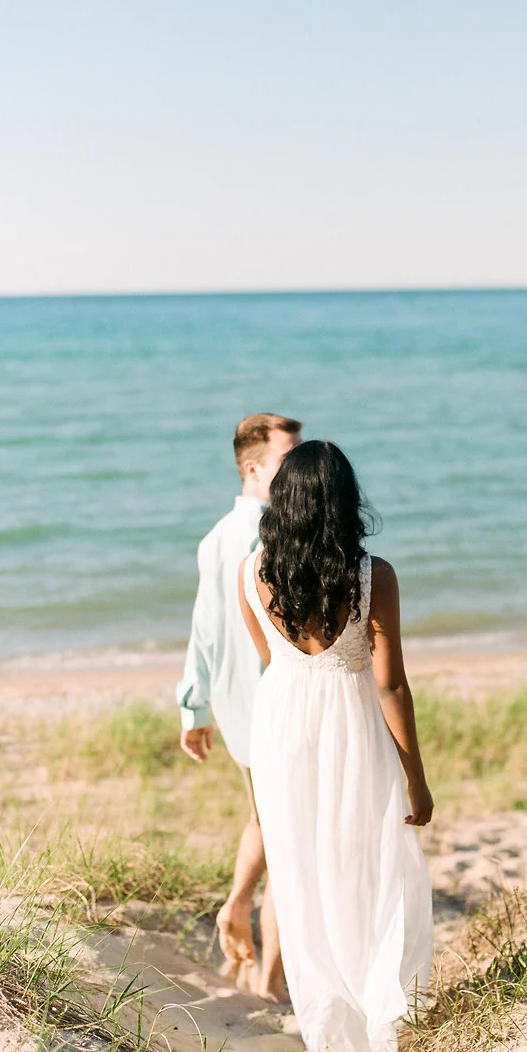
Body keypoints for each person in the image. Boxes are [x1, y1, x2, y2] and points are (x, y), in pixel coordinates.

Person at [237, 440, 434, 1052]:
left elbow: (271, 661)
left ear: (281, 502)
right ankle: (378, 1007)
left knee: (300, 872)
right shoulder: (372, 575)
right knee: (369, 863)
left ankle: (327, 1027)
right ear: (344, 501)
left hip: (282, 727)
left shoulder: (250, 573)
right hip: (350, 724)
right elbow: (391, 683)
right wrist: (417, 779)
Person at [177, 412, 302, 1001]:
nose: (299, 468)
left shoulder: (214, 536)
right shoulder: (269, 534)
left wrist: (194, 708)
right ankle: (267, 974)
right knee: (285, 838)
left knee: (270, 823)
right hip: (272, 704)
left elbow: (202, 628)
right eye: (287, 459)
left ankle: (246, 927)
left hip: (237, 705)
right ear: (254, 469)